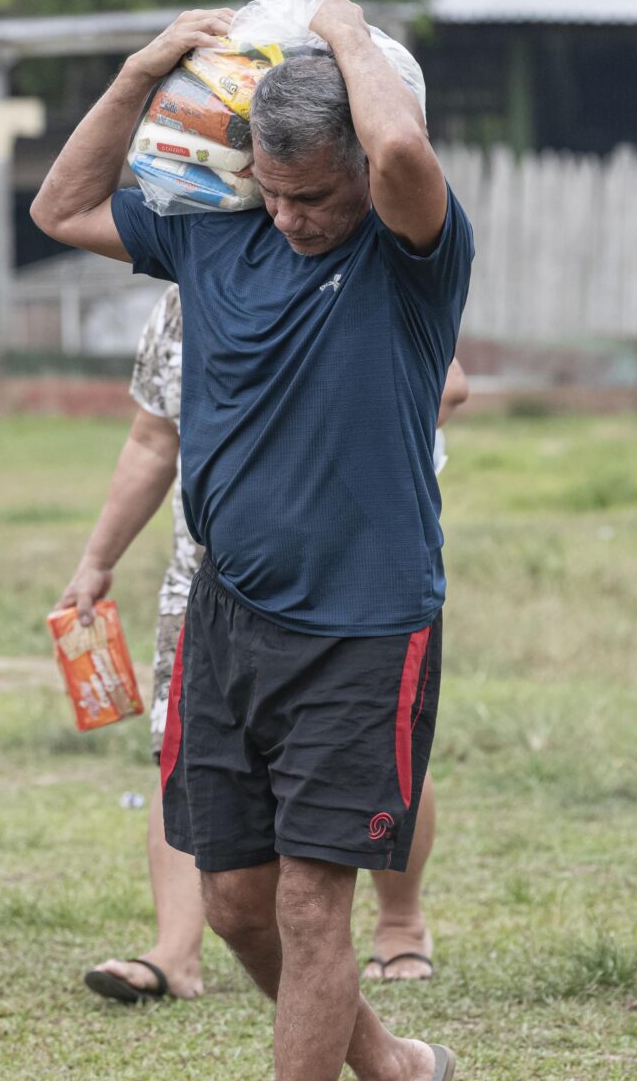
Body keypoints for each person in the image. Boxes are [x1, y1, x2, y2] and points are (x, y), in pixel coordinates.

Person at [31, 0, 472, 1081]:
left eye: (311, 195)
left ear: (358, 169)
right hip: (225, 616)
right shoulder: (211, 232)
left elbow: (402, 150)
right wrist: (139, 71)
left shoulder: (410, 259)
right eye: (271, 190)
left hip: (364, 624)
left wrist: (346, 34)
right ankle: (393, 1065)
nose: (287, 216)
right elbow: (61, 205)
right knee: (235, 905)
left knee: (313, 904)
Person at [61, 288, 468, 1005]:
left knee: (374, 756)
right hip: (206, 578)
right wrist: (97, 559)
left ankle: (400, 924)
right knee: (182, 751)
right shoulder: (182, 299)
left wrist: (313, 436)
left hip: (344, 581)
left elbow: (449, 383)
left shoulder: (347, 272)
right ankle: (175, 952)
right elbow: (153, 438)